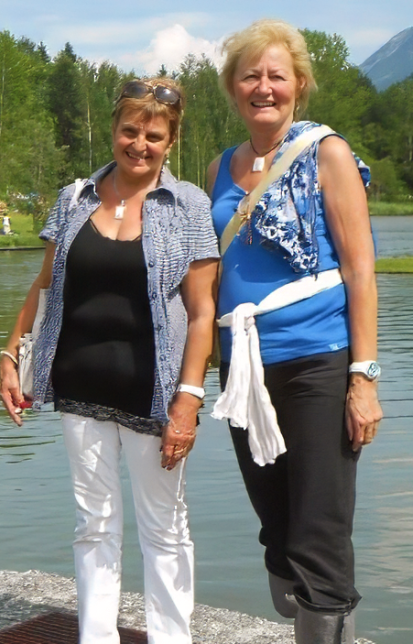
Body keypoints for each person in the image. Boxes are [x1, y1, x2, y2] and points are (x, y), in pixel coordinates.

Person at [0, 77, 219, 644]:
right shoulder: (74, 199)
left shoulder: (189, 206)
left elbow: (202, 313)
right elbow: (45, 285)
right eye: (130, 131)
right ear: (113, 130)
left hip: (154, 392)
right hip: (79, 385)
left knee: (164, 528)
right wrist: (10, 353)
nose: (139, 144)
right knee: (93, 524)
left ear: (171, 141)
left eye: (154, 135)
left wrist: (189, 400)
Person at [206, 20, 382, 644]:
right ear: (233, 88)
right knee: (276, 527)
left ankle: (325, 616)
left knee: (318, 531)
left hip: (318, 361)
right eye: (250, 76)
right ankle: (310, 600)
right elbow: (208, 274)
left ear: (299, 85)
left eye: (277, 76)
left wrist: (364, 378)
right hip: (243, 370)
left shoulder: (326, 153)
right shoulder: (219, 166)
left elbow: (360, 271)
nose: (264, 87)